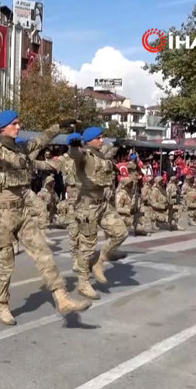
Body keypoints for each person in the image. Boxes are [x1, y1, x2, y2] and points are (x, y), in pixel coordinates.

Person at [0, 111, 90, 325]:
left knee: (44, 253)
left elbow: (42, 139)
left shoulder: (21, 147)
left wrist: (59, 125)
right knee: (6, 263)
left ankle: (61, 298)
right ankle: (2, 305)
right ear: (3, 128)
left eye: (19, 123)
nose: (19, 127)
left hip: (23, 209)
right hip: (3, 214)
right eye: (15, 124)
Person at [67, 126, 128, 300]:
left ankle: (100, 261)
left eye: (103, 137)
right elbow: (75, 154)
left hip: (103, 204)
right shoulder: (84, 156)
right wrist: (73, 145)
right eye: (99, 138)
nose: (102, 140)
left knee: (121, 233)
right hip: (88, 207)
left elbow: (110, 151)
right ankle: (83, 284)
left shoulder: (101, 154)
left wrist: (118, 144)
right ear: (90, 140)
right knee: (86, 248)